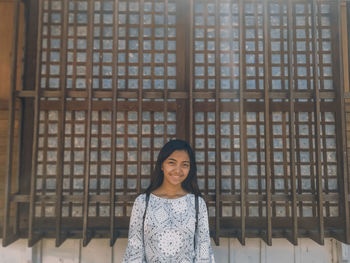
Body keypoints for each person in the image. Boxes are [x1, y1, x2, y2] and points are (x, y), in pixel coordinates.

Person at [122, 139, 215, 262]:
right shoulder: (143, 203)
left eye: (185, 164)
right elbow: (134, 250)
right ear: (162, 165)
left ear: (190, 168)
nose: (178, 170)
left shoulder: (197, 203)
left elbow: (203, 251)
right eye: (172, 163)